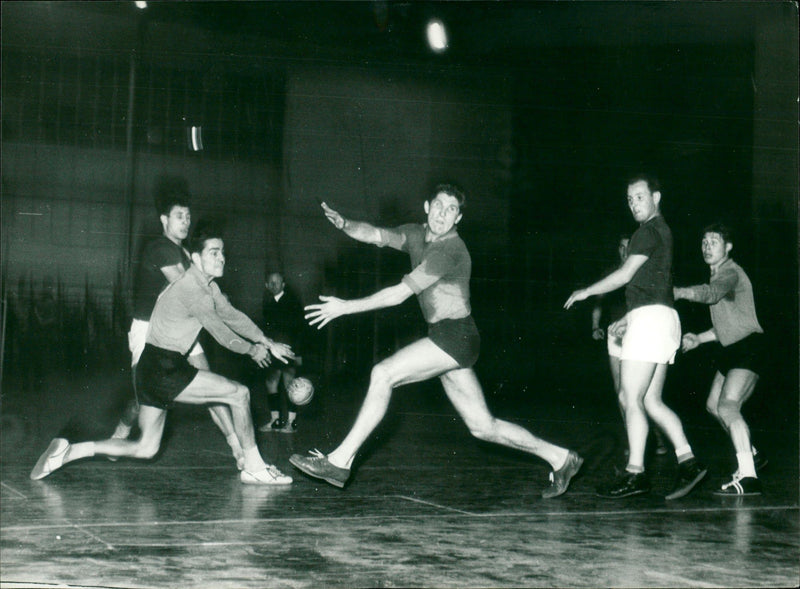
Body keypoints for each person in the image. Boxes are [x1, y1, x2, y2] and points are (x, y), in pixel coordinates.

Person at [290, 185, 583, 498]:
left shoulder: (450, 250)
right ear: (427, 206)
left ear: (458, 218)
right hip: (447, 338)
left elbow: (399, 295)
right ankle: (561, 458)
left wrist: (345, 307)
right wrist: (346, 224)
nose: (443, 214)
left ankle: (339, 461)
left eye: (451, 209)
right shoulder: (416, 234)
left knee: (383, 373)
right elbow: (375, 234)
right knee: (483, 427)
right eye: (439, 206)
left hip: (455, 337)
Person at [30, 229, 296, 485]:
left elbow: (233, 316)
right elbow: (221, 333)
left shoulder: (208, 287)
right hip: (163, 368)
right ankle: (255, 468)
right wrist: (252, 350)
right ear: (195, 258)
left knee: (146, 448)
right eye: (214, 253)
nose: (222, 258)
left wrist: (266, 341)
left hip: (154, 369)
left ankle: (67, 453)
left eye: (222, 252)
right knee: (239, 394)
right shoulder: (193, 289)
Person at [565, 174, 706, 499]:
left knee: (630, 397)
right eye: (630, 200)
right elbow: (652, 289)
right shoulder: (663, 231)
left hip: (652, 320)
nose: (634, 204)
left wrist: (587, 291)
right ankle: (689, 462)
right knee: (651, 401)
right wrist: (630, 317)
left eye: (639, 197)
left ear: (656, 196)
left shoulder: (647, 232)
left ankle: (636, 473)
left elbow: (626, 274)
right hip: (664, 318)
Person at [111, 186, 243, 470]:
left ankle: (236, 446)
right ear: (164, 220)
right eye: (179, 216)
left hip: (182, 328)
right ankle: (120, 433)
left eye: (188, 216)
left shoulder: (185, 251)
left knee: (210, 383)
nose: (185, 221)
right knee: (142, 400)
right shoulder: (159, 248)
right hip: (148, 331)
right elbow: (187, 287)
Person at [674, 223, 766, 496]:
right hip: (732, 349)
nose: (706, 246)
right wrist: (698, 339)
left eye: (714, 241)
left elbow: (711, 294)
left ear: (728, 247)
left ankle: (749, 477)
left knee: (727, 406)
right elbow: (728, 325)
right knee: (714, 405)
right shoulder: (719, 277)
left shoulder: (730, 273)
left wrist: (678, 292)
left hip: (749, 348)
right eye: (703, 241)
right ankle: (751, 454)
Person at [591, 235, 668, 457]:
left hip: (638, 334)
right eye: (622, 247)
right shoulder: (611, 272)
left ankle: (657, 438)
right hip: (615, 336)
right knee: (621, 392)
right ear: (619, 250)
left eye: (629, 247)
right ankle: (634, 442)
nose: (625, 251)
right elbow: (598, 300)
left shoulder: (642, 270)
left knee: (640, 394)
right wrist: (595, 325)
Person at [258, 271, 306, 433]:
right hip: (273, 351)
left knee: (290, 384)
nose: (273, 285)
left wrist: (298, 354)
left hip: (289, 350)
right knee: (271, 383)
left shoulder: (292, 302)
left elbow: (300, 329)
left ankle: (291, 423)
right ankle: (275, 420)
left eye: (277, 282)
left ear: (283, 284)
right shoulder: (268, 303)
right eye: (270, 282)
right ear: (266, 285)